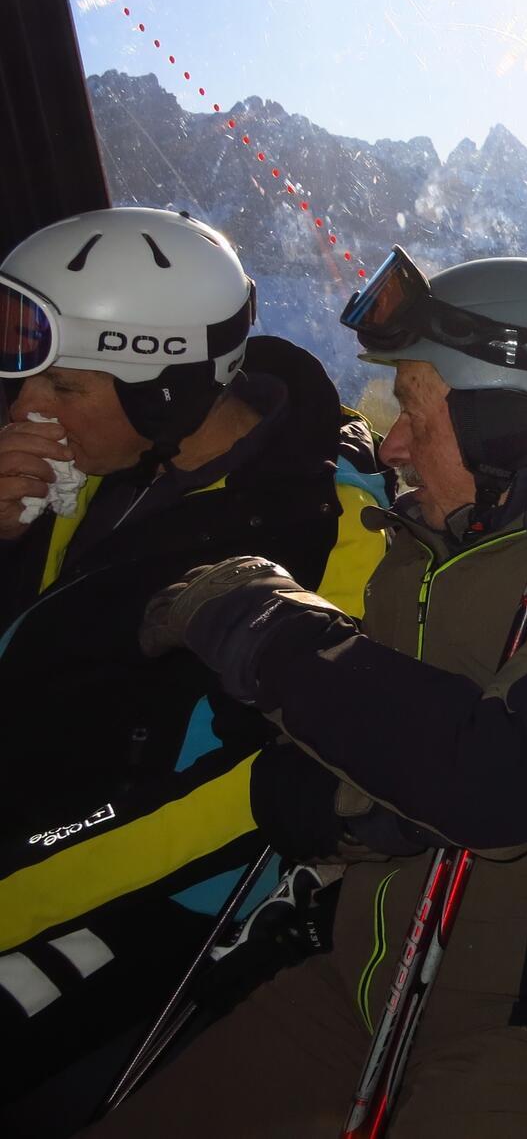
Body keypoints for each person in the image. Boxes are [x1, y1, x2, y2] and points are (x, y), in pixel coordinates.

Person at [89, 251, 527, 1137]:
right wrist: (369, 801)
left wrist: (263, 628)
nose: (390, 444)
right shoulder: (427, 535)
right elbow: (303, 780)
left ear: (503, 420)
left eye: (412, 409)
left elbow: (500, 781)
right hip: (362, 982)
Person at [0, 207, 388, 1129]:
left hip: (157, 900)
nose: (24, 409)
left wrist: (17, 891)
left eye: (62, 382)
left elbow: (258, 787)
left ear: (164, 391)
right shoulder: (91, 467)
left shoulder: (331, 531)